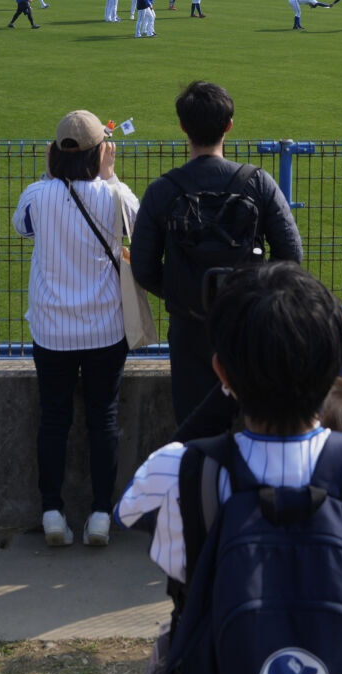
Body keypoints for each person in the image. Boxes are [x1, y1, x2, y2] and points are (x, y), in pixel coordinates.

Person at [118, 264, 342, 674]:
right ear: (334, 367)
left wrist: (237, 375)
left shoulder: (181, 474)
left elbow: (132, 503)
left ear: (221, 371)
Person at [130, 81, 304, 420]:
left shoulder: (162, 191)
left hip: (188, 326)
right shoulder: (259, 182)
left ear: (183, 127)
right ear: (229, 125)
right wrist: (255, 291)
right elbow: (290, 255)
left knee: (194, 426)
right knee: (254, 423)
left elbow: (143, 267)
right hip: (246, 322)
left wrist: (181, 290)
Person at [11, 112, 141, 548]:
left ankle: (52, 511)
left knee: (54, 419)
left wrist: (51, 177)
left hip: (52, 329)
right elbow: (136, 227)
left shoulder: (37, 194)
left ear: (55, 152)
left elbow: (22, 226)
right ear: (101, 151)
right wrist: (111, 175)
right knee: (103, 419)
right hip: (105, 328)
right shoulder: (114, 195)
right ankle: (101, 515)